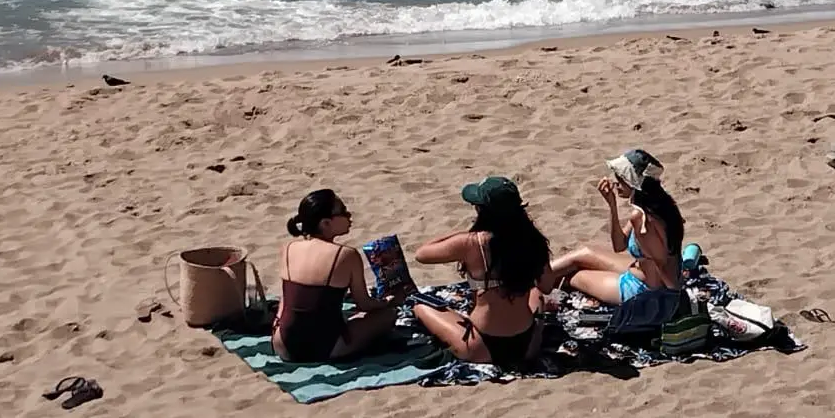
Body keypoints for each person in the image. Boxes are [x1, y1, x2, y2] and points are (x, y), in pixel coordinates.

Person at [411, 176, 552, 367]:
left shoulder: (473, 242)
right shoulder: (533, 240)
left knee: (420, 306)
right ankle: (539, 326)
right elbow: (547, 286)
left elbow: (422, 254)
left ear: (482, 211)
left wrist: (463, 233)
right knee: (535, 294)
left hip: (482, 345)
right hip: (527, 344)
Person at [273, 190, 407, 363]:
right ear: (326, 223)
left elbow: (285, 301)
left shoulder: (288, 248)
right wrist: (388, 301)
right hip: (326, 347)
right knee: (387, 315)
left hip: (283, 345)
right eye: (343, 211)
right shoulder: (345, 255)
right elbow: (364, 304)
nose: (349, 215)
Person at [549, 149, 685, 306]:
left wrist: (675, 299)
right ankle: (530, 277)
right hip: (641, 272)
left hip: (642, 288)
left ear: (633, 183)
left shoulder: (642, 218)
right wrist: (612, 206)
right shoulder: (655, 205)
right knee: (584, 253)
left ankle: (525, 285)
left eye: (620, 179)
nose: (615, 182)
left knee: (572, 277)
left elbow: (661, 262)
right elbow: (619, 245)